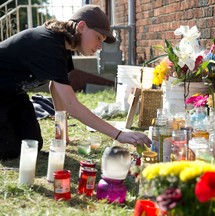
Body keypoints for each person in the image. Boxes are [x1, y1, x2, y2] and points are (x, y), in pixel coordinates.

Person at [0, 5, 151, 160]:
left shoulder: (62, 47)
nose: (100, 46)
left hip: (14, 96)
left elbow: (55, 88)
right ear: (81, 26)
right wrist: (119, 135)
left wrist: (62, 134)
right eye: (98, 38)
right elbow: (72, 105)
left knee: (33, 144)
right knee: (8, 151)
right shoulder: (49, 44)